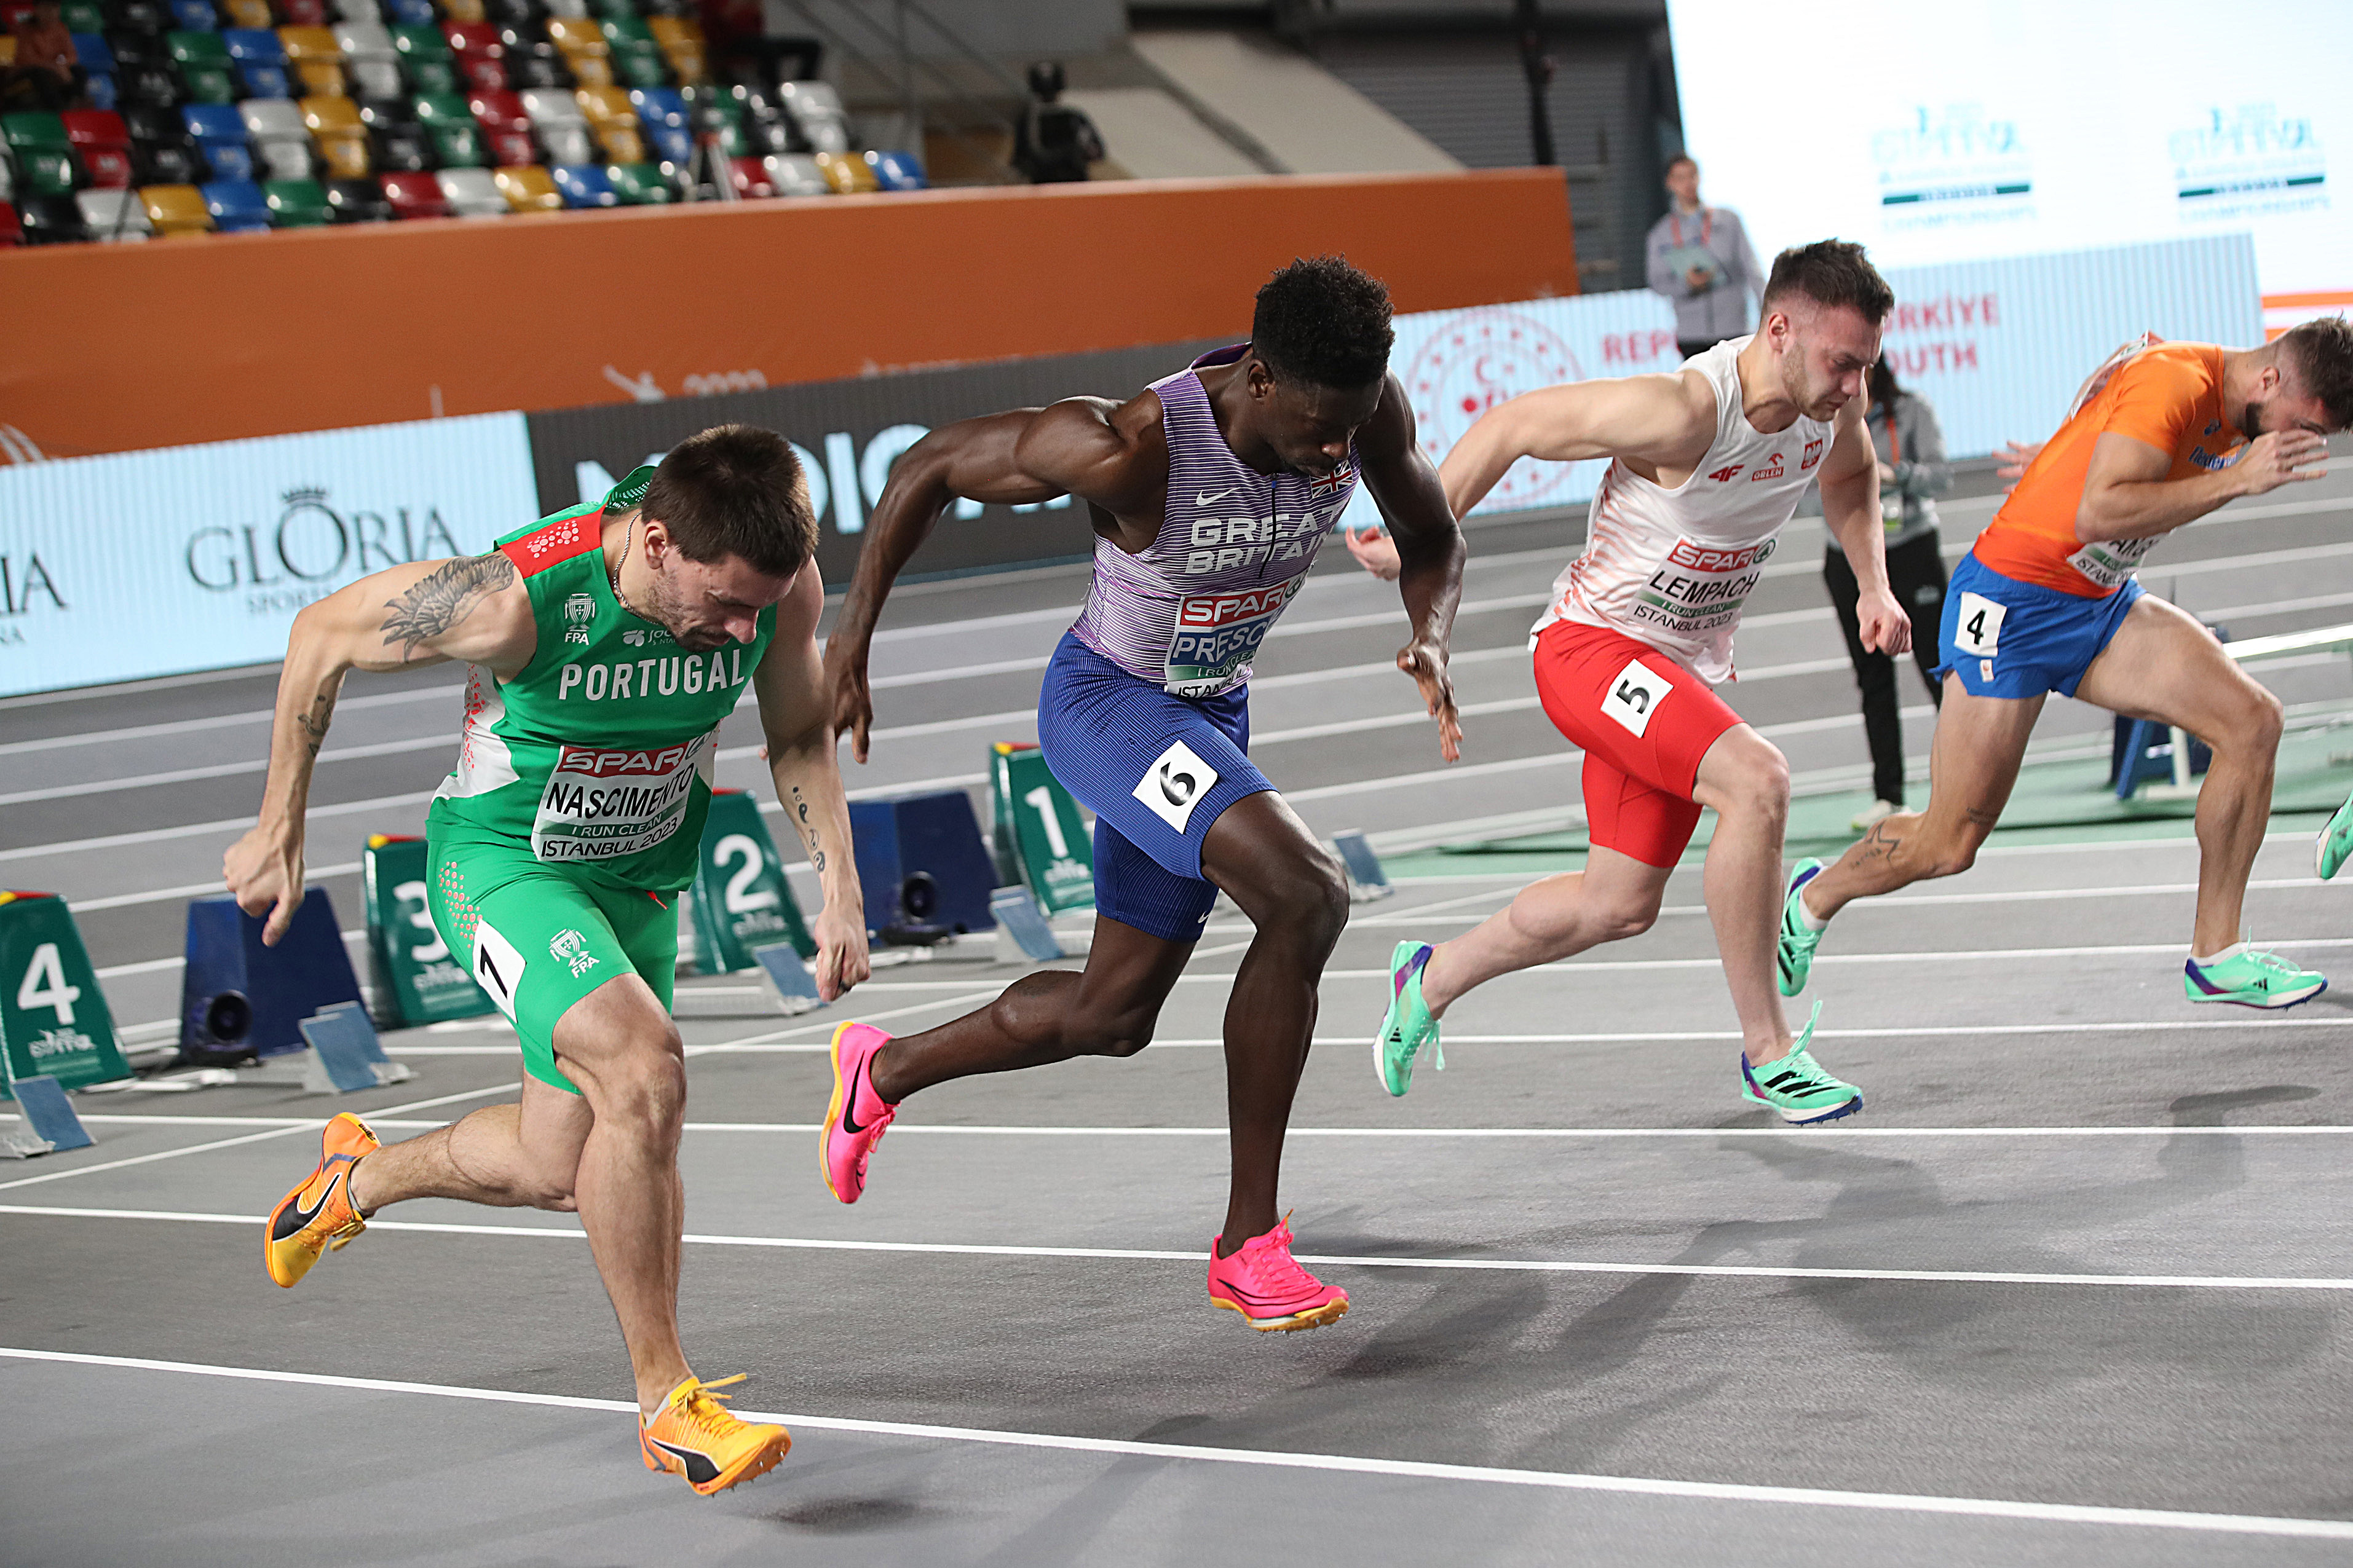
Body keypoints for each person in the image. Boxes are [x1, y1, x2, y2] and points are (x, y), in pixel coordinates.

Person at [821, 256, 1465, 1331]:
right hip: (1108, 704)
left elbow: (1433, 538)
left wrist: (1429, 635)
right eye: (1318, 429)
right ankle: (1248, 1243)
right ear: (1258, 377)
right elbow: (930, 464)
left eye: (1349, 431)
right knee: (1307, 891)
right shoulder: (1134, 445)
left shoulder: (1363, 412)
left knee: (1110, 1014)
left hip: (1207, 715)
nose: (1334, 453)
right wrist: (850, 640)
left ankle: (878, 1071)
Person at [230, 425, 871, 1495]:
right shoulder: (514, 598)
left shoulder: (776, 587)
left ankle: (356, 1180)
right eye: (724, 604)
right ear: (656, 544)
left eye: (758, 610)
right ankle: (669, 1403)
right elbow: (320, 631)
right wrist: (277, 822)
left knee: (550, 1164)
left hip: (636, 883)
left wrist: (838, 885)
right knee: (644, 1070)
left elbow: (798, 732)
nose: (739, 631)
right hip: (502, 864)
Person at [1375, 240, 1904, 1125]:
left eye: (1865, 367)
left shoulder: (1828, 410)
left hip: (1671, 669)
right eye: (1841, 363)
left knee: (1615, 905)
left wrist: (1872, 585)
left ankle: (1428, 979)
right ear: (1779, 330)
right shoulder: (1685, 411)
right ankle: (1769, 1051)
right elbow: (1513, 424)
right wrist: (1416, 538)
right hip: (1590, 650)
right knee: (1757, 781)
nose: (1854, 386)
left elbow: (1850, 476)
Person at [1780, 319, 2353, 1010]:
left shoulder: (2216, 392)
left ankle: (2217, 953)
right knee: (1947, 844)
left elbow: (2110, 384)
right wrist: (2236, 478)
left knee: (2252, 722)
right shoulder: (2175, 382)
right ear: (2269, 379)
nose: (2298, 446)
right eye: (2302, 427)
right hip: (2010, 608)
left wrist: (2067, 452)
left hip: (2099, 602)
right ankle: (1814, 895)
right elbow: (2098, 513)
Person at [1827, 357, 1951, 830]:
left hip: (1911, 548)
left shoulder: (1913, 409)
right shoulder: (1819, 420)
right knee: (1872, 678)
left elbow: (1941, 476)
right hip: (1848, 559)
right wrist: (1850, 489)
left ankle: (1963, 781)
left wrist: (1893, 475)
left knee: (1939, 667)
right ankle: (1888, 794)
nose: (1850, 379)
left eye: (1857, 365)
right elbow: (1806, 494)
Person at [1646, 155, 1764, 362]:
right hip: (1692, 334)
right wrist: (1687, 285)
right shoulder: (1661, 234)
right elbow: (1657, 282)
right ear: (1669, 183)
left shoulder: (1728, 220)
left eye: (1692, 176)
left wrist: (1766, 312)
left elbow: (1752, 269)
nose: (1688, 183)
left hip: (1734, 329)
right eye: (1680, 178)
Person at [1012, 59, 1105, 184]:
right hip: (1046, 187)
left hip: (1073, 184)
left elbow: (1096, 152)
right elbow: (1021, 160)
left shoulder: (1073, 118)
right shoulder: (1029, 122)